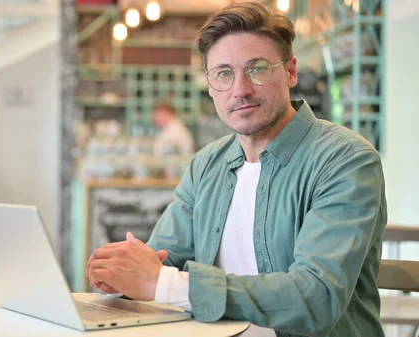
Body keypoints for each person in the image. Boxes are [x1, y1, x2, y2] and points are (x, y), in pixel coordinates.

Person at [86, 2, 387, 337]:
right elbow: (162, 263)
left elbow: (317, 296)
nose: (239, 90)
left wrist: (163, 283)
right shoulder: (206, 165)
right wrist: (122, 276)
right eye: (223, 73)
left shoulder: (345, 160)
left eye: (257, 69)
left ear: (290, 71)